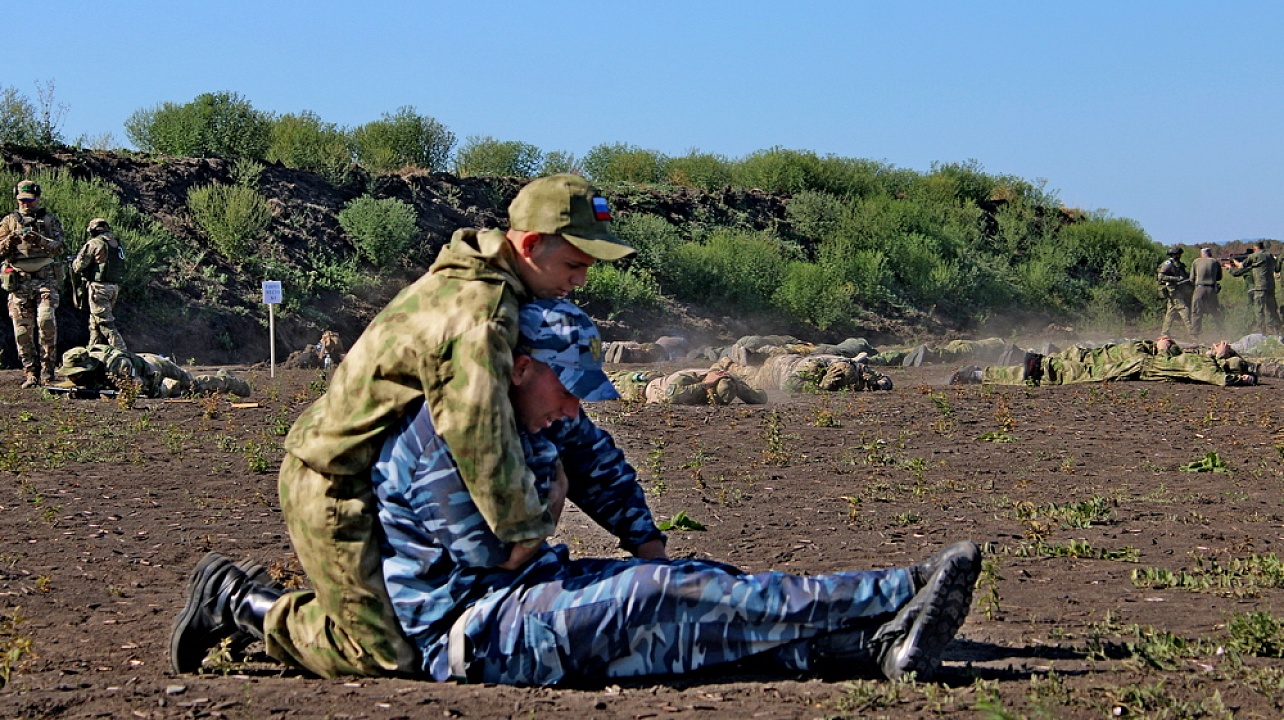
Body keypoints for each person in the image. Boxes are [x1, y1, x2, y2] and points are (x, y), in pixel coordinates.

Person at [172, 298, 982, 685]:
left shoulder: (542, 408)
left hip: (524, 590)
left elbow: (598, 463)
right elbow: (494, 553)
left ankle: (878, 646)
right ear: (519, 368)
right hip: (467, 625)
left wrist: (652, 546)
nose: (574, 405)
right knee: (655, 608)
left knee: (688, 630)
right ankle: (896, 591)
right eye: (566, 387)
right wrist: (563, 508)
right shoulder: (445, 441)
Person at [170, 174, 639, 679]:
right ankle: (238, 602)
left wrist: (640, 533)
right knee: (382, 653)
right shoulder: (478, 311)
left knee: (410, 629)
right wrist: (524, 533)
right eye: (573, 264)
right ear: (527, 245)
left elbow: (570, 429)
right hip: (336, 481)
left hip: (388, 483)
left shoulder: (503, 292)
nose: (580, 281)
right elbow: (476, 428)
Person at [950, 336, 1257, 387]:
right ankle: (979, 373)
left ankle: (977, 375)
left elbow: (1218, 377)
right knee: (1059, 362)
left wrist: (1162, 349)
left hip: (1122, 366)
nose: (1219, 344)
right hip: (1116, 359)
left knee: (1048, 372)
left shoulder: (1200, 364)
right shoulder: (1199, 359)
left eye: (1222, 348)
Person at [0, 180, 66, 387]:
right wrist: (10, 240)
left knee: (46, 321)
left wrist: (39, 240)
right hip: (19, 281)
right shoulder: (9, 221)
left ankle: (48, 370)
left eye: (29, 200)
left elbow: (60, 248)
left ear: (37, 198)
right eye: (22, 200)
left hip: (45, 278)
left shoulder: (48, 220)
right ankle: (30, 371)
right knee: (21, 330)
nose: (25, 204)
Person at [54, 345, 251, 397]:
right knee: (182, 390)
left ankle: (227, 381)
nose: (72, 377)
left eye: (75, 373)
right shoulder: (83, 371)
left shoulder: (116, 365)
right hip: (143, 367)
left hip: (154, 368)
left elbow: (137, 389)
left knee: (192, 385)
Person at [71, 218, 129, 350]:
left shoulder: (95, 243)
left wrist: (73, 262)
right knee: (95, 325)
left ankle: (124, 354)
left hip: (99, 289)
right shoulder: (115, 243)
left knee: (106, 325)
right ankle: (92, 354)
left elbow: (79, 266)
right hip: (113, 288)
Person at [610, 363, 769, 405]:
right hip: (638, 385)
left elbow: (759, 398)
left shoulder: (727, 380)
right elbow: (670, 397)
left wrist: (739, 385)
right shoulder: (689, 378)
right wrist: (704, 384)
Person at [731, 352, 894, 393]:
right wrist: (820, 387)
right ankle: (727, 365)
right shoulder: (814, 367)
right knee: (748, 376)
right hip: (778, 369)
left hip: (794, 360)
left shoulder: (850, 365)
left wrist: (876, 381)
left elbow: (885, 381)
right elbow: (787, 385)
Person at [1228, 240, 1282, 334]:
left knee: (1259, 309)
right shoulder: (1269, 255)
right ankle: (1276, 330)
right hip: (1270, 286)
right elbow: (1276, 267)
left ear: (1255, 248)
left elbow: (1241, 266)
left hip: (1260, 287)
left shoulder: (1254, 256)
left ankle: (1262, 331)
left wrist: (1233, 261)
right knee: (1271, 309)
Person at [1157, 247, 1193, 337]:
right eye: (1178, 254)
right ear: (1173, 254)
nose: (1180, 256)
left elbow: (1184, 275)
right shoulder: (1168, 264)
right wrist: (1176, 279)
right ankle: (1193, 335)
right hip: (1174, 291)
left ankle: (1164, 333)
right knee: (1185, 311)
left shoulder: (1179, 264)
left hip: (1180, 291)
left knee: (1170, 313)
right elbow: (1161, 277)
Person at [1188, 247, 1222, 338]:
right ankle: (1221, 331)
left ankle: (1195, 333)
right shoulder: (1215, 262)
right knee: (1215, 311)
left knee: (1196, 311)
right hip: (1211, 289)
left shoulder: (1196, 262)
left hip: (1199, 288)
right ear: (1210, 254)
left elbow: (1191, 279)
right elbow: (1219, 277)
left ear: (1201, 254)